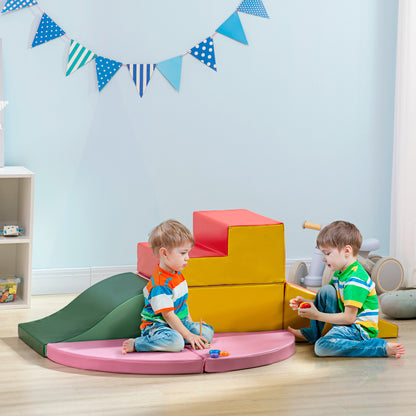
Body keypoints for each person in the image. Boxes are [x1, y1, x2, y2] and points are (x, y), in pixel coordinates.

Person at [288, 220, 405, 358]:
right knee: (326, 291)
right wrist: (307, 302)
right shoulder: (340, 272)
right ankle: (312, 334)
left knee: (322, 347)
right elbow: (329, 299)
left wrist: (316, 315)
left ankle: (379, 347)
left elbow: (349, 318)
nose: (324, 259)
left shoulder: (355, 279)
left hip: (359, 329)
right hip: (347, 322)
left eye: (327, 253)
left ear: (347, 251)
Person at [122, 219, 214, 353]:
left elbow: (183, 304)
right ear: (164, 253)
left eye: (188, 252)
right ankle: (137, 343)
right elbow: (168, 315)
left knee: (207, 333)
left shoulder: (177, 274)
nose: (188, 257)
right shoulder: (160, 284)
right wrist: (189, 335)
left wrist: (191, 324)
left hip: (179, 321)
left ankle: (180, 335)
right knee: (175, 343)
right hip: (159, 326)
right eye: (183, 253)